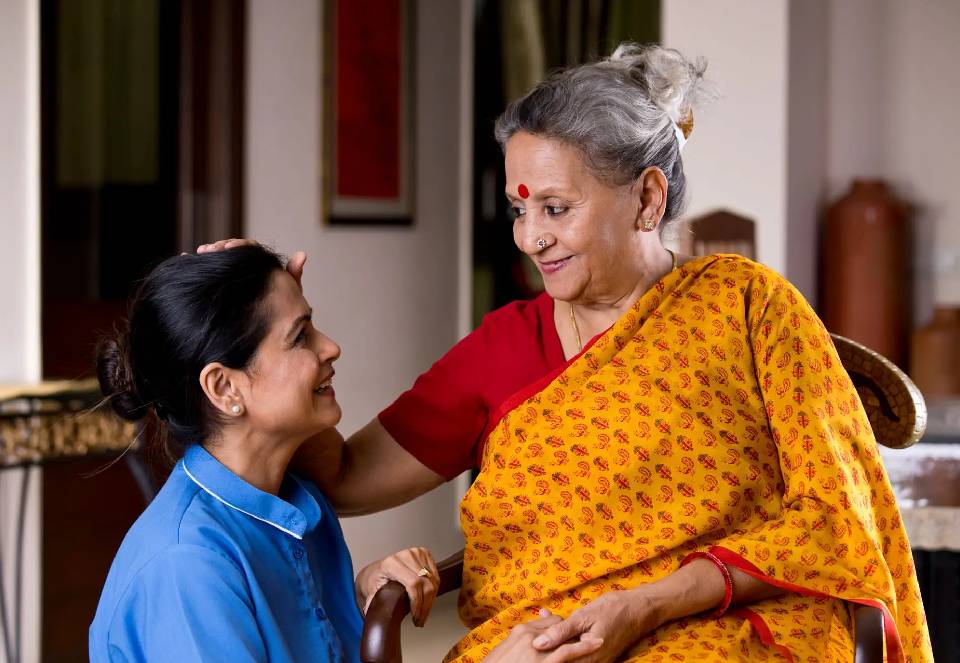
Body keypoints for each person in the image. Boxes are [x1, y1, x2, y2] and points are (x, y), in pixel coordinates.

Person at [202, 44, 931, 662]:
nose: (529, 237)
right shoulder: (505, 346)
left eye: (555, 208)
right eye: (520, 210)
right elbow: (347, 475)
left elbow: (836, 519)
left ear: (647, 199)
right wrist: (256, 330)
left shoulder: (749, 308)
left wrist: (645, 605)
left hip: (736, 632)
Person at [89, 246, 440, 663]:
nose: (331, 347)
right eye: (300, 336)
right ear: (224, 388)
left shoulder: (296, 503)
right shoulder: (188, 565)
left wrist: (358, 596)